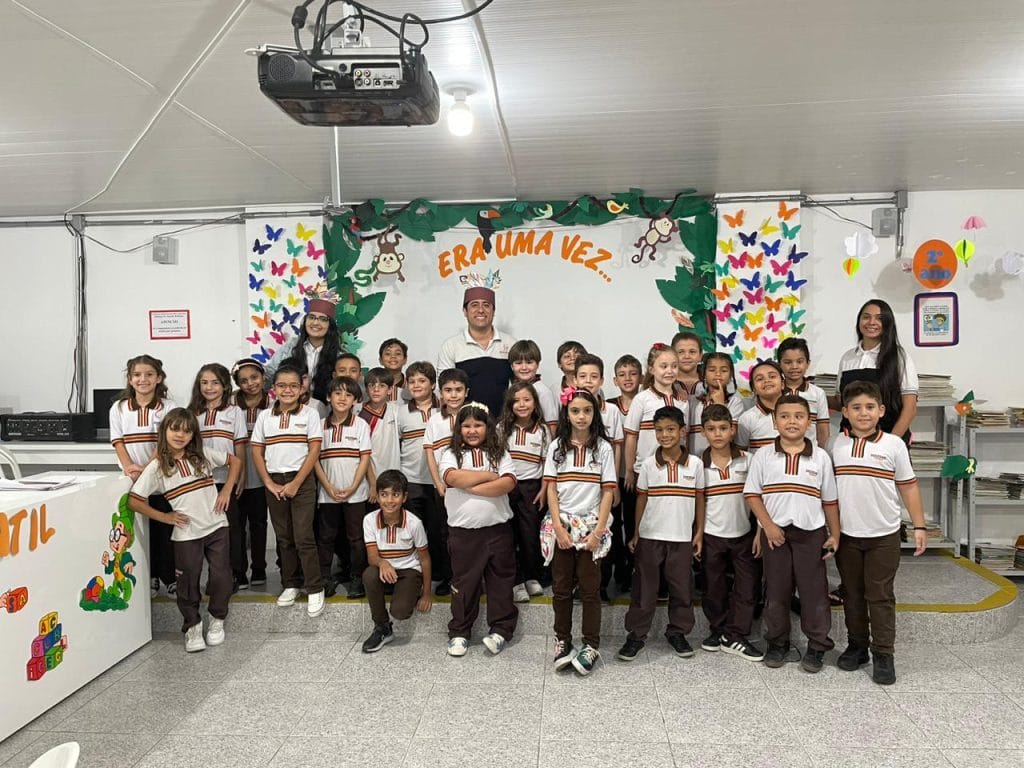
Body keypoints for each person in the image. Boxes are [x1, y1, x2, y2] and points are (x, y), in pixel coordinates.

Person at [831, 381, 927, 685]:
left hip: (884, 535)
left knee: (880, 594)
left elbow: (908, 487)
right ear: (845, 412)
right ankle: (857, 646)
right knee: (852, 592)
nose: (863, 413)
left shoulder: (894, 445)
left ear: (881, 410)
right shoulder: (836, 445)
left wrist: (919, 525)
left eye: (870, 407)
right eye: (856, 408)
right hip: (847, 535)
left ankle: (884, 653)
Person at [128, 408, 242, 652]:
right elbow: (134, 501)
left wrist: (226, 490)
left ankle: (217, 619)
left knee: (221, 575)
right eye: (175, 429)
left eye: (187, 431)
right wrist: (165, 517)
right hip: (186, 533)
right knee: (188, 580)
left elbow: (236, 461)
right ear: (165, 431)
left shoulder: (202, 455)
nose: (180, 435)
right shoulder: (157, 467)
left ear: (193, 435)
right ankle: (192, 626)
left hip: (217, 526)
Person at [743, 394, 839, 672]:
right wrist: (768, 526)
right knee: (776, 590)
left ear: (809, 422)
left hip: (811, 534)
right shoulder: (764, 455)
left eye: (799, 416)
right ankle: (777, 642)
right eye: (784, 416)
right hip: (776, 535)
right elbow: (752, 495)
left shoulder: (820, 457)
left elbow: (830, 501)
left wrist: (835, 534)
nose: (792, 421)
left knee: (814, 592)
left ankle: (817, 645)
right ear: (775, 422)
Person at [618, 406, 704, 661]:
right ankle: (636, 634)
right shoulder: (647, 464)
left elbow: (700, 499)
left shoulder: (696, 464)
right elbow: (642, 500)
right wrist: (636, 532)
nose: (664, 435)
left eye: (670, 429)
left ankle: (677, 632)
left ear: (682, 431)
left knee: (682, 589)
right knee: (644, 589)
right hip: (650, 537)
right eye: (659, 430)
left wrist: (698, 532)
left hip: (681, 538)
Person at [541, 388, 616, 676]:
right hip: (562, 526)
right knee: (561, 588)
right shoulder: (557, 446)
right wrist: (558, 529)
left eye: (587, 410)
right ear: (567, 414)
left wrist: (598, 532)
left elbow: (608, 492)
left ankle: (591, 645)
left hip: (592, 527)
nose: (581, 416)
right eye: (575, 411)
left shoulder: (604, 448)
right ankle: (562, 640)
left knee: (590, 589)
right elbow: (551, 489)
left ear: (595, 413)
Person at [439, 403, 519, 656]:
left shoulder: (500, 452)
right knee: (465, 584)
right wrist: (489, 476)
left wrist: (470, 486)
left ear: (488, 427)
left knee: (500, 582)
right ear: (458, 429)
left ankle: (501, 630)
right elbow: (452, 478)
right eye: (466, 426)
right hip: (464, 534)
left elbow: (507, 483)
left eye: (478, 425)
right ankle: (460, 631)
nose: (472, 430)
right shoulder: (450, 453)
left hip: (498, 531)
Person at [250, 363, 325, 616]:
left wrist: (296, 483)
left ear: (302, 388)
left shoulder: (310, 414)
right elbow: (257, 451)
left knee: (304, 536)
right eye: (282, 385)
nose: (288, 390)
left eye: (293, 386)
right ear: (273, 389)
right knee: (284, 536)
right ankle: (290, 584)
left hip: (301, 481)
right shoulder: (264, 416)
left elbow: (314, 450)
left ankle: (314, 587)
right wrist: (269, 482)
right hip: (274, 481)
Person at [109, 354, 178, 597]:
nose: (143, 379)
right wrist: (130, 467)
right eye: (137, 375)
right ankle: (150, 577)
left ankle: (170, 577)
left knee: (163, 529)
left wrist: (148, 470)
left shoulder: (169, 407)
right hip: (131, 478)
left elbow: (166, 442)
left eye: (149, 374)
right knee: (138, 531)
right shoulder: (118, 408)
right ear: (130, 379)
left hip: (161, 478)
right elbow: (117, 441)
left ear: (159, 378)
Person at [697, 404, 762, 661]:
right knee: (713, 587)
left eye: (723, 428)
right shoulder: (698, 464)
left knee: (747, 588)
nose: (718, 434)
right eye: (711, 429)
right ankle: (719, 630)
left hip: (744, 534)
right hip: (711, 535)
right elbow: (697, 504)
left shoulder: (749, 460)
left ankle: (736, 634)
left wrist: (759, 533)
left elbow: (759, 498)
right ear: (703, 432)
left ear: (732, 430)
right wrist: (698, 535)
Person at [187, 363, 248, 591]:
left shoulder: (234, 412)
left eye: (215, 382)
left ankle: (237, 574)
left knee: (231, 529)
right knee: (208, 531)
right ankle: (215, 576)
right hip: (200, 482)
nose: (209, 387)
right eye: (204, 382)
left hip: (227, 480)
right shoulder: (192, 413)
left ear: (225, 386)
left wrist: (241, 476)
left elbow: (239, 447)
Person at [360, 470, 433, 653]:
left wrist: (426, 594)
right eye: (384, 495)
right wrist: (383, 563)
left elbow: (424, 559)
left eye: (395, 494)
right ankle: (382, 627)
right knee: (369, 574)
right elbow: (372, 556)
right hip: (385, 570)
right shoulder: (369, 520)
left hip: (409, 571)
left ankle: (410, 591)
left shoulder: (414, 523)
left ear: (404, 497)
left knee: (400, 612)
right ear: (377, 497)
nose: (389, 500)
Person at [314, 376, 372, 599]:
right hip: (327, 493)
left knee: (356, 538)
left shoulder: (360, 425)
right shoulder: (319, 425)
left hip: (356, 493)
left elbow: (365, 459)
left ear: (355, 400)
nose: (342, 398)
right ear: (328, 397)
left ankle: (357, 578)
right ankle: (324, 578)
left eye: (348, 395)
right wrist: (327, 486)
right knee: (326, 537)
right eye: (337, 393)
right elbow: (314, 460)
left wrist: (353, 486)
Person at [574, 353, 625, 601]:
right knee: (577, 532)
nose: (588, 381)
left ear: (602, 380)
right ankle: (578, 584)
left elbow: (617, 447)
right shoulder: (570, 408)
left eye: (594, 376)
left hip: (604, 482)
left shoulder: (611, 410)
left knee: (603, 530)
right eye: (583, 376)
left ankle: (602, 585)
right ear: (574, 379)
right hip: (577, 485)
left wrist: (613, 485)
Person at [831, 298, 918, 443]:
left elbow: (910, 408)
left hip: (888, 439)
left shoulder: (899, 357)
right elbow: (840, 402)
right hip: (850, 442)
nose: (872, 322)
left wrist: (889, 443)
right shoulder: (848, 357)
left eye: (879, 318)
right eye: (866, 317)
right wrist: (810, 394)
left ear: (888, 323)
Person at [398, 361, 451, 595]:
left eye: (422, 380)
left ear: (432, 384)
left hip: (440, 482)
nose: (416, 385)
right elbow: (395, 445)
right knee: (415, 532)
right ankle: (416, 577)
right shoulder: (401, 412)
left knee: (440, 531)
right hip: (412, 481)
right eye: (412, 381)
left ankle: (443, 575)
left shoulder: (445, 410)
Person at [499, 381, 549, 602]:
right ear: (509, 404)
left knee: (530, 535)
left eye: (527, 400)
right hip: (507, 487)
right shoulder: (502, 428)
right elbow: (496, 460)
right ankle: (516, 581)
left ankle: (531, 576)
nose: (522, 404)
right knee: (508, 536)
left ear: (535, 403)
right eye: (516, 400)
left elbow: (547, 464)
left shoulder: (543, 430)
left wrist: (544, 489)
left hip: (532, 488)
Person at [436, 287, 516, 415]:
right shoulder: (451, 346)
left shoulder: (510, 344)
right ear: (465, 311)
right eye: (474, 305)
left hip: (503, 422)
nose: (480, 310)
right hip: (466, 423)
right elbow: (445, 390)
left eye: (486, 305)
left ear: (493, 311)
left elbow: (521, 386)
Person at [263, 293, 343, 407]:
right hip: (291, 406)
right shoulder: (291, 346)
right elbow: (271, 373)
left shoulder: (339, 355)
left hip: (327, 409)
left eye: (323, 319)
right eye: (311, 317)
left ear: (330, 325)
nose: (315, 323)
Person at [231, 358, 270, 587]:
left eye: (254, 377)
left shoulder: (273, 402)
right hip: (235, 471)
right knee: (236, 524)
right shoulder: (230, 403)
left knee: (259, 523)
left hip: (262, 472)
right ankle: (238, 571)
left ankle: (259, 568)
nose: (250, 384)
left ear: (263, 377)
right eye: (243, 380)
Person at [608, 354, 642, 591]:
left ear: (642, 377)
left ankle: (633, 568)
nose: (628, 378)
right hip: (612, 474)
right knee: (612, 523)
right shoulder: (609, 406)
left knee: (632, 523)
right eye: (622, 374)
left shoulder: (647, 402)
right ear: (615, 380)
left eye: (633, 373)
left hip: (635, 475)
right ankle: (617, 568)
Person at [424, 368, 470, 499]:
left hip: (470, 482)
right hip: (443, 484)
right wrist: (437, 482)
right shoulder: (434, 420)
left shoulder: (475, 416)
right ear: (441, 393)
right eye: (448, 390)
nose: (453, 395)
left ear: (466, 392)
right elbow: (429, 454)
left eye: (458, 390)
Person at [688, 352, 746, 456]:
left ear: (730, 376)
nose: (718, 374)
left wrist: (720, 405)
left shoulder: (734, 402)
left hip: (722, 459)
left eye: (724, 370)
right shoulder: (693, 402)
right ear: (704, 374)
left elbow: (731, 436)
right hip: (695, 460)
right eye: (712, 370)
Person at [776, 338, 830, 446]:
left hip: (810, 452)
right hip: (779, 451)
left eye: (799, 361)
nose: (794, 367)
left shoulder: (818, 393)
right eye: (788, 362)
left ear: (808, 363)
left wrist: (822, 452)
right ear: (780, 364)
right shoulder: (774, 392)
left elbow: (823, 430)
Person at [358, 367, 402, 486]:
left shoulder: (396, 411)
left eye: (382, 385)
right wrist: (372, 481)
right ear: (366, 389)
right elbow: (362, 451)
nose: (376, 389)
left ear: (390, 390)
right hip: (367, 479)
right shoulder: (359, 413)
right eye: (372, 385)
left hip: (393, 475)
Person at [508, 339, 559, 433]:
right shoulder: (511, 389)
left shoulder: (543, 392)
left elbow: (552, 425)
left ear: (537, 364)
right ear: (512, 366)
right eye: (518, 363)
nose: (524, 367)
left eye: (529, 362)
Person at [736, 360, 785, 453]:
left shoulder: (797, 413)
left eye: (772, 376)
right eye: (760, 379)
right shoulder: (747, 418)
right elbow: (741, 452)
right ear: (754, 389)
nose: (767, 381)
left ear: (782, 384)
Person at [671, 331, 704, 397]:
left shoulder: (711, 381)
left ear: (700, 355)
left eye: (692, 352)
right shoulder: (662, 382)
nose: (687, 356)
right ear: (672, 355)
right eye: (681, 352)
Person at [378, 338, 410, 402]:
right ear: (380, 360)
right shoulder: (372, 388)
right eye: (388, 354)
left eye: (398, 354)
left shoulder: (412, 387)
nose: (393, 356)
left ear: (405, 360)